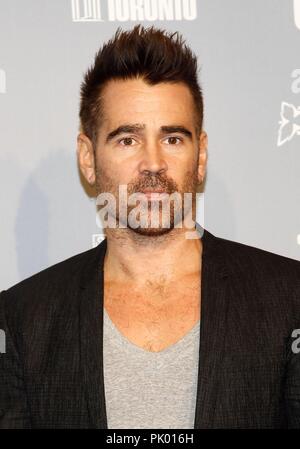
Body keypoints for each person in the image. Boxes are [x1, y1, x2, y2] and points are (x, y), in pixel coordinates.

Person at [1, 24, 300, 429]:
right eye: (127, 140)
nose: (154, 163)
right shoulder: (23, 319)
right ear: (88, 158)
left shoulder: (289, 299)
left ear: (201, 155)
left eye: (173, 138)